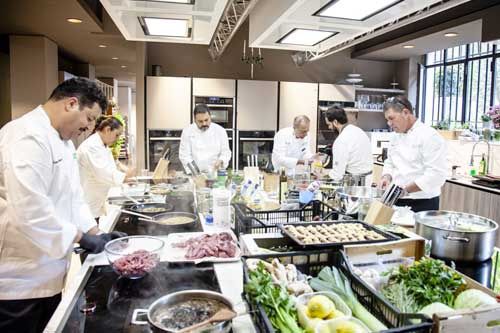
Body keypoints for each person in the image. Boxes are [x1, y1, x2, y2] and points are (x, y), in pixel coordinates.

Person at [0, 78, 126, 333]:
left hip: (49, 271)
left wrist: (96, 233)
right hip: (19, 279)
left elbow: (73, 197)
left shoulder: (63, 142)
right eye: (90, 119)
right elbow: (30, 211)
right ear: (71, 104)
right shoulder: (27, 137)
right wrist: (80, 237)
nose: (90, 128)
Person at [379, 96, 447, 212]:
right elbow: (390, 162)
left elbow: (436, 175)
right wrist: (386, 176)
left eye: (391, 118)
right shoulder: (395, 135)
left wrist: (406, 190)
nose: (389, 123)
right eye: (387, 120)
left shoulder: (429, 136)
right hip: (396, 199)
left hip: (423, 202)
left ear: (405, 112)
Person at [77, 115, 135, 220]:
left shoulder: (103, 145)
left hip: (95, 202)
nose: (117, 139)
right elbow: (103, 173)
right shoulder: (92, 146)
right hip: (87, 204)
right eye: (117, 135)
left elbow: (111, 165)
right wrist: (124, 178)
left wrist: (124, 172)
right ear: (108, 130)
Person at [324, 106, 373, 185]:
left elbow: (338, 174)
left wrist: (323, 177)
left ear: (335, 122)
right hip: (368, 180)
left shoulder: (341, 140)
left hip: (355, 183)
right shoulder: (358, 130)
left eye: (329, 124)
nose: (329, 127)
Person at [179, 103, 231, 173]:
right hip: (194, 174)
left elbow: (226, 152)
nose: (204, 124)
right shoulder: (187, 132)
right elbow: (185, 155)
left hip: (215, 173)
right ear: (195, 120)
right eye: (200, 121)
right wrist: (196, 173)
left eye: (206, 120)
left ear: (210, 117)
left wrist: (221, 161)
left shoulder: (220, 131)